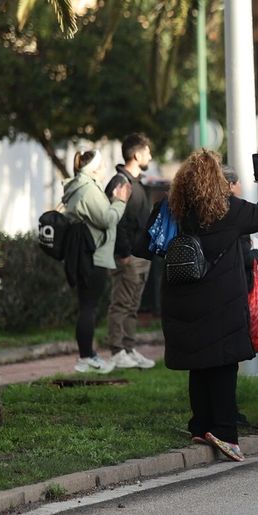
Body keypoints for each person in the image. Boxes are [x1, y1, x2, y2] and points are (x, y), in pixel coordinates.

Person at [160, 150, 258, 461]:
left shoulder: (176, 209)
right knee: (224, 364)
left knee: (199, 364)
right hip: (221, 299)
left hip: (182, 296)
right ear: (218, 181)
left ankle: (201, 424)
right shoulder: (228, 210)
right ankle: (225, 432)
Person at [62, 149, 128, 373]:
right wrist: (119, 202)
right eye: (101, 166)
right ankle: (86, 358)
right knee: (88, 308)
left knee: (86, 307)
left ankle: (87, 355)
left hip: (87, 255)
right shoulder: (88, 190)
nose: (104, 169)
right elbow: (107, 219)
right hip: (93, 257)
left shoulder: (81, 188)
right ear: (93, 169)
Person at [103, 134, 155, 369]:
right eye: (147, 151)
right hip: (127, 257)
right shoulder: (119, 182)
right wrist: (123, 253)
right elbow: (116, 220)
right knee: (121, 304)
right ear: (136, 155)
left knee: (133, 305)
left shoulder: (138, 182)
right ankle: (116, 351)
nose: (150, 156)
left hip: (141, 255)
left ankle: (128, 349)